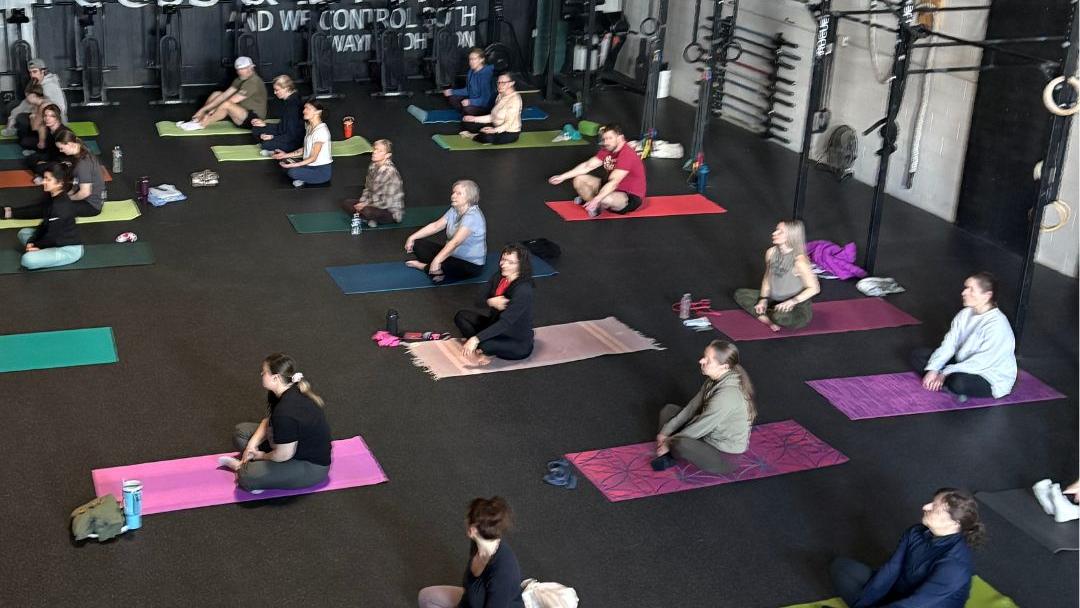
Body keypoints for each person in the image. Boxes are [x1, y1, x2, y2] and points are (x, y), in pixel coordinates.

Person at [830, 488, 985, 608]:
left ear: (954, 523)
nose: (925, 506)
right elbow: (892, 568)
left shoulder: (955, 565)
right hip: (899, 591)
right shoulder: (916, 531)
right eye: (931, 502)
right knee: (841, 567)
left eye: (935, 508)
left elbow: (916, 603)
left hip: (922, 605)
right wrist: (869, 598)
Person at [219, 353, 332, 493]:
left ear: (276, 378)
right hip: (289, 447)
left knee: (246, 477)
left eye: (264, 372)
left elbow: (284, 455)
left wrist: (260, 455)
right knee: (240, 433)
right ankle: (259, 468)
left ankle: (248, 470)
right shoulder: (285, 391)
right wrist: (251, 446)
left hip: (311, 466)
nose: (261, 374)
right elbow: (268, 421)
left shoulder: (286, 412)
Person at [651, 340, 756, 474]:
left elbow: (701, 425)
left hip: (724, 455)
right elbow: (691, 408)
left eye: (708, 360)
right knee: (669, 410)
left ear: (723, 366)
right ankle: (673, 451)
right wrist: (665, 432)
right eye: (704, 356)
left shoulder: (727, 395)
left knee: (680, 443)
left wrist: (668, 442)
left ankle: (671, 455)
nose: (701, 361)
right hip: (707, 435)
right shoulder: (713, 379)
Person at [911, 271, 1017, 400]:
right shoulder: (965, 314)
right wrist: (933, 369)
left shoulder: (997, 324)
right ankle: (940, 381)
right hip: (963, 362)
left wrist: (944, 372)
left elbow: (981, 362)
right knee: (918, 355)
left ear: (987, 296)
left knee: (958, 382)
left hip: (988, 374)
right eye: (966, 288)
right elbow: (949, 344)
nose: (964, 292)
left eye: (971, 289)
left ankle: (943, 381)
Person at [418, 496, 524, 608]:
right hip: (470, 601)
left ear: (472, 530)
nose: (465, 521)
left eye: (467, 519)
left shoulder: (504, 572)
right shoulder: (477, 544)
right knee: (426, 597)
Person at [733, 220, 821, 331]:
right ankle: (767, 319)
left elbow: (815, 288)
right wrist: (763, 299)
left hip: (796, 305)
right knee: (740, 294)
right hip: (774, 299)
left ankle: (770, 314)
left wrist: (793, 301)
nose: (774, 233)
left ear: (791, 236)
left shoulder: (800, 261)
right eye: (776, 230)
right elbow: (767, 278)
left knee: (779, 317)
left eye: (780, 232)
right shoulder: (771, 253)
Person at [454, 243, 535, 364]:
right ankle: (481, 346)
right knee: (461, 316)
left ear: (521, 265)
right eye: (503, 259)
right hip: (494, 325)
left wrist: (475, 339)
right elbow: (478, 301)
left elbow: (505, 323)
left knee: (485, 345)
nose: (504, 265)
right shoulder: (499, 276)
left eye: (511, 262)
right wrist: (490, 301)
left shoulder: (523, 290)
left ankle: (482, 348)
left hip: (515, 339)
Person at [547, 123, 647, 218]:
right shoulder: (608, 149)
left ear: (620, 138)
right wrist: (562, 177)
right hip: (610, 187)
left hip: (629, 196)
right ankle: (595, 207)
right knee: (578, 180)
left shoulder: (627, 155)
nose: (606, 142)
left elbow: (614, 182)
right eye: (605, 139)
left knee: (605, 198)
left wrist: (596, 199)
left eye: (610, 138)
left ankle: (594, 201)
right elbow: (587, 166)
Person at [4, 163, 83, 270]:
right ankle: (41, 252)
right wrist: (32, 241)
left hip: (68, 249)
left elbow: (52, 236)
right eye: (44, 178)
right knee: (23, 233)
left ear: (59, 183)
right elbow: (45, 224)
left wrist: (37, 246)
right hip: (53, 239)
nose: (43, 182)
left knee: (27, 260)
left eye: (48, 179)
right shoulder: (51, 197)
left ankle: (41, 253)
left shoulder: (60, 206)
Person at [405, 180, 486, 282]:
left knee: (443, 265)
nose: (453, 196)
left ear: (469, 197)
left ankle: (424, 267)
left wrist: (437, 260)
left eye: (459, 193)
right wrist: (412, 237)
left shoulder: (472, 217)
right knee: (417, 244)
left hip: (469, 264)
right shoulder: (454, 210)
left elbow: (455, 243)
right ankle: (436, 270)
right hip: (451, 255)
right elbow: (436, 226)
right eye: (453, 192)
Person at [180, 56, 267, 130]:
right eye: (238, 70)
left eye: (242, 69)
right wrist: (201, 111)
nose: (239, 72)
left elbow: (231, 101)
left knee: (226, 104)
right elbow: (224, 96)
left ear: (251, 68)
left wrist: (210, 112)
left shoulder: (253, 82)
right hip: (241, 112)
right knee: (217, 94)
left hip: (254, 119)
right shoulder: (240, 78)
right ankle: (198, 119)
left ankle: (202, 124)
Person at [342, 139, 404, 226]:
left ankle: (368, 218)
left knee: (367, 211)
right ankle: (368, 219)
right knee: (347, 203)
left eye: (380, 151)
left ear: (387, 155)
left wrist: (365, 205)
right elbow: (367, 188)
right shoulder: (373, 166)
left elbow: (386, 203)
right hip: (372, 202)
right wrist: (362, 202)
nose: (375, 152)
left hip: (389, 210)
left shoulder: (389, 172)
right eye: (375, 149)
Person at [272, 100, 332, 188]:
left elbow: (313, 158)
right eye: (304, 108)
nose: (304, 111)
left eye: (308, 108)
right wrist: (285, 155)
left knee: (292, 172)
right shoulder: (309, 126)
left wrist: (294, 165)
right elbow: (306, 149)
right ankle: (304, 176)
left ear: (318, 112)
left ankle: (304, 178)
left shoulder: (321, 131)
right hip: (309, 166)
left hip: (321, 172)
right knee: (284, 162)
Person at [3, 58, 67, 137]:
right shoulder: (36, 83)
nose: (32, 75)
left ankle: (36, 137)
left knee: (22, 118)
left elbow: (60, 109)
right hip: (38, 111)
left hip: (52, 119)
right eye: (30, 72)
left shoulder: (50, 86)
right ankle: (16, 129)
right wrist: (11, 121)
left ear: (43, 71)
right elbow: (26, 103)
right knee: (12, 106)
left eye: (35, 71)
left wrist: (38, 107)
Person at [460, 74, 522, 145]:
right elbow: (493, 117)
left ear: (511, 83)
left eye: (503, 83)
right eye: (498, 82)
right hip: (495, 126)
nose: (499, 85)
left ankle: (474, 136)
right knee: (467, 122)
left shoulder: (515, 100)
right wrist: (474, 119)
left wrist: (494, 130)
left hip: (509, 132)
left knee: (487, 137)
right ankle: (481, 133)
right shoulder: (500, 95)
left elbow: (508, 124)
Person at [55, 130, 106, 217]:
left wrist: (69, 198)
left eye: (61, 148)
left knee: (55, 208)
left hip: (91, 206)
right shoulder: (82, 151)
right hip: (88, 198)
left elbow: (85, 192)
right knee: (56, 199)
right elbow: (77, 182)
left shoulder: (83, 164)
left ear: (70, 144)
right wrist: (68, 194)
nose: (60, 151)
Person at [252, 75, 305, 156]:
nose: (275, 92)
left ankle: (274, 150)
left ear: (286, 88)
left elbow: (291, 135)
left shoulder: (293, 106)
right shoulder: (289, 100)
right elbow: (282, 127)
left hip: (293, 141)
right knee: (256, 129)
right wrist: (264, 124)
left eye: (277, 90)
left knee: (266, 144)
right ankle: (273, 148)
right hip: (284, 132)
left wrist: (272, 137)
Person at [442, 47, 495, 115]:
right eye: (470, 59)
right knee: (452, 97)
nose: (471, 62)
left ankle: (474, 115)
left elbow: (486, 100)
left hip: (486, 104)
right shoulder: (471, 71)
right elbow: (468, 90)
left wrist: (471, 102)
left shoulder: (486, 74)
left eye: (474, 59)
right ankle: (466, 115)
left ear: (482, 60)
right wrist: (452, 92)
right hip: (474, 98)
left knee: (467, 109)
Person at [26, 104, 71, 176]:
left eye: (52, 116)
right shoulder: (49, 129)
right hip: (52, 155)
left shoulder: (63, 133)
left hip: (62, 161)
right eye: (45, 115)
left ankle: (46, 174)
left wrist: (46, 163)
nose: (47, 118)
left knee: (39, 167)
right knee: (30, 159)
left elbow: (67, 156)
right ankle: (45, 173)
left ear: (57, 117)